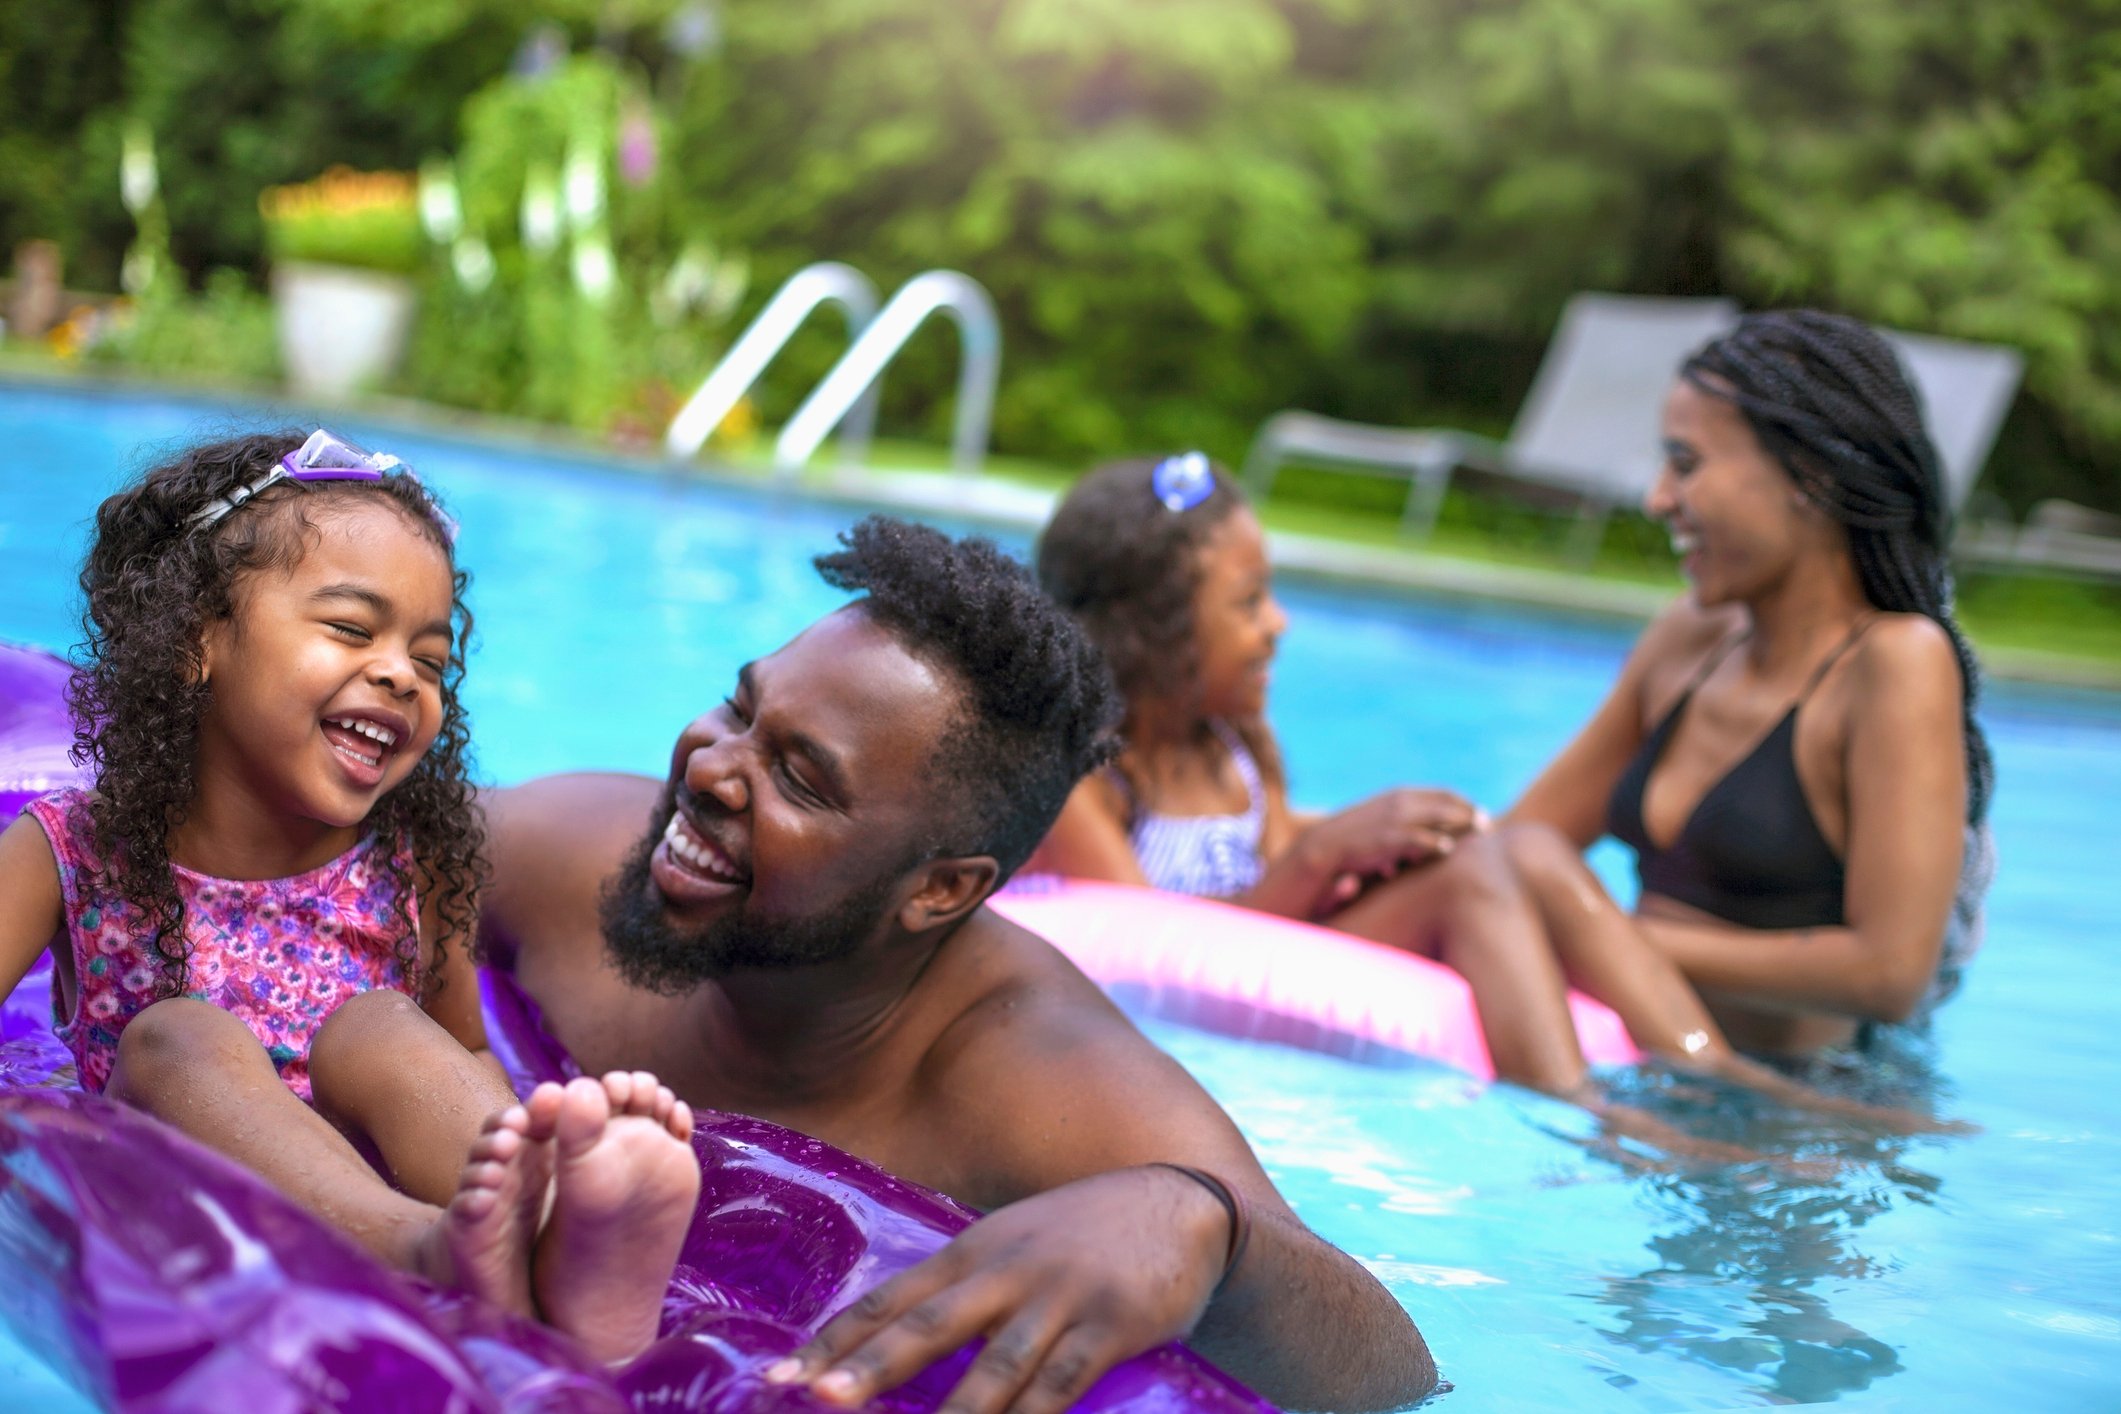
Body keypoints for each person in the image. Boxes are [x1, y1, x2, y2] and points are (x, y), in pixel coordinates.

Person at [480, 515, 1438, 1414]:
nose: (708, 768)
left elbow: (1392, 1370)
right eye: (740, 708)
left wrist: (1200, 1224)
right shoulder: (565, 860)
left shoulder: (1028, 1081)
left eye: (800, 779)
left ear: (939, 890)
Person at [0, 431, 699, 1364]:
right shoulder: (72, 848)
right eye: (350, 629)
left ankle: (566, 1234)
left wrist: (511, 1131)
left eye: (431, 660)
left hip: (370, 1158)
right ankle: (429, 1247)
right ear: (198, 638)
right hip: (184, 1167)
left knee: (382, 1025)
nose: (401, 673)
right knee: (178, 1036)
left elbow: (462, 1051)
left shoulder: (411, 865)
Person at [1422, 309, 1994, 1098]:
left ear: (1811, 478)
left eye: (1685, 465)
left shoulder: (1894, 664)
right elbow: (1523, 841)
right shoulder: (1688, 641)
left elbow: (1889, 971)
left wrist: (1603, 934)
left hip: (1798, 1110)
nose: (1658, 500)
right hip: (1640, 1063)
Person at [1029, 451, 1592, 1082]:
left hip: (1260, 969)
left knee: (1528, 851)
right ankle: (1589, 1117)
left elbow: (1272, 867)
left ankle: (1694, 1069)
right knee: (1471, 881)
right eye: (1248, 603)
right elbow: (1137, 949)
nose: (1278, 621)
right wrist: (1320, 858)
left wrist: (1379, 844)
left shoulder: (1237, 748)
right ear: (1152, 634)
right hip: (1174, 1027)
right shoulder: (1088, 779)